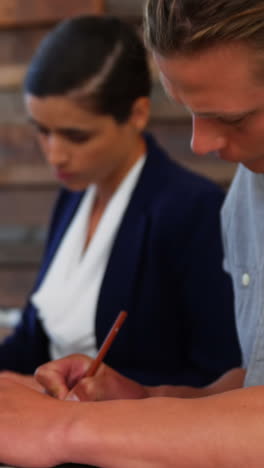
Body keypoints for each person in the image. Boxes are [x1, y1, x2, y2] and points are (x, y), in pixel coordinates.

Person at [4, 1, 264, 466]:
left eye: (232, 119)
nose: (199, 144)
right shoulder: (245, 195)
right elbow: (251, 383)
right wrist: (144, 398)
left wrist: (63, 428)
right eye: (185, 109)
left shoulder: (189, 207)